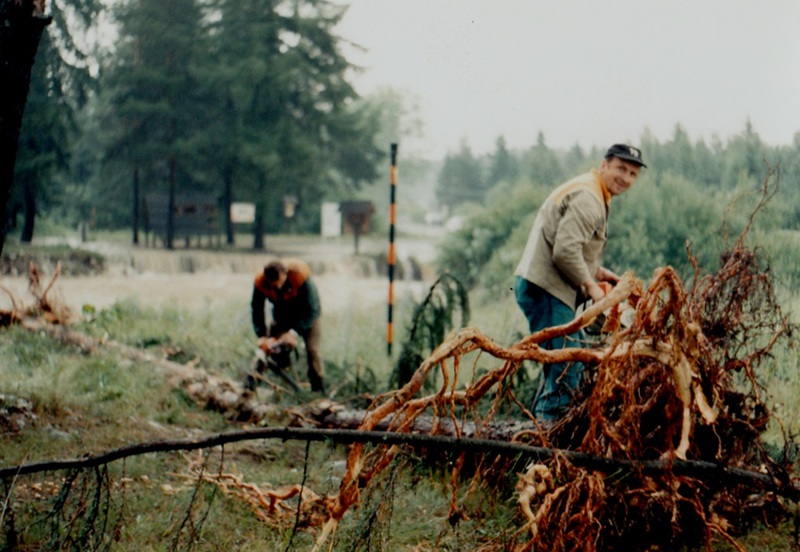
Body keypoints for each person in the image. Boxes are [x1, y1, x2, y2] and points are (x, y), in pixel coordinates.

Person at [514, 143, 646, 422]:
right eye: (621, 168)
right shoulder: (590, 198)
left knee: (559, 366)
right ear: (604, 165)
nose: (626, 178)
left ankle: (536, 433)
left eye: (633, 174)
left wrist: (599, 273)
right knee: (566, 372)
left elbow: (569, 246)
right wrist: (593, 288)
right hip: (548, 291)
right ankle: (546, 449)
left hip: (545, 287)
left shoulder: (592, 191)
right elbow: (564, 252)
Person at [250, 258, 325, 394]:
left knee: (312, 350)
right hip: (283, 316)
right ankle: (254, 384)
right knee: (271, 348)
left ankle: (318, 388)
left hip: (306, 316)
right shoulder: (260, 282)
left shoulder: (300, 274)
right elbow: (256, 309)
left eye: (280, 283)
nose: (277, 288)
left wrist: (294, 333)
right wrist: (261, 335)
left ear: (286, 274)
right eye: (273, 285)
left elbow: (314, 309)